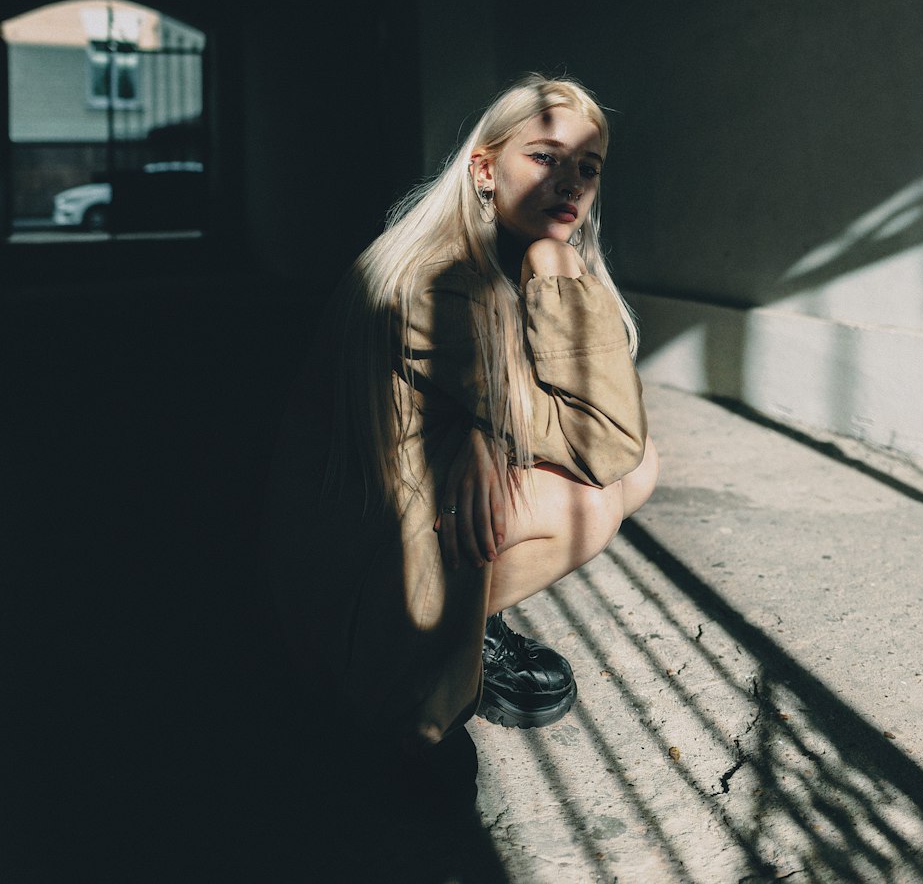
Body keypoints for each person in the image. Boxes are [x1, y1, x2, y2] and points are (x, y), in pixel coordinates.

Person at [264, 73, 659, 772]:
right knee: (586, 502)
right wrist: (558, 267)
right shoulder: (435, 278)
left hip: (404, 503)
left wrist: (486, 428)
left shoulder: (497, 258)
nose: (569, 181)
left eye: (586, 168)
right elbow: (602, 440)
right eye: (545, 156)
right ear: (484, 166)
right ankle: (405, 669)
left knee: (641, 466)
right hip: (351, 562)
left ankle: (469, 623)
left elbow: (588, 423)